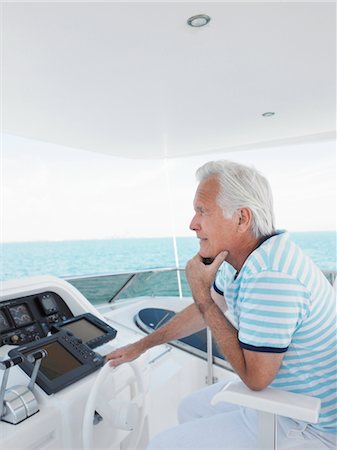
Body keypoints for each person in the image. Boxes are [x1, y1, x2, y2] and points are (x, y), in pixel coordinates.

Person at [106, 160, 337, 449]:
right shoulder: (246, 258)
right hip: (287, 398)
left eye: (202, 211)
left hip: (313, 424)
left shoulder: (271, 277)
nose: (193, 224)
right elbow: (202, 311)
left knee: (160, 445)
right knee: (189, 408)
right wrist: (141, 346)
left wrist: (202, 297)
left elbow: (256, 379)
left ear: (241, 218)